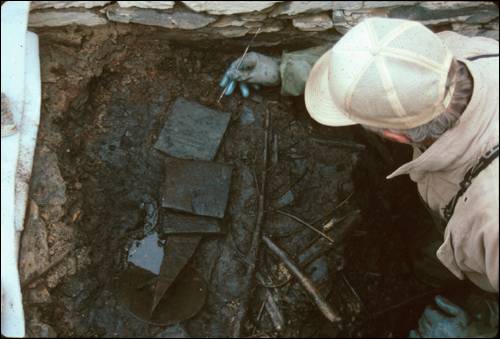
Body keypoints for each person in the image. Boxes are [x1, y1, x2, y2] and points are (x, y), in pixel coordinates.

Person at [221, 17, 499, 337]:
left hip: (481, 257)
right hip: (457, 231)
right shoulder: (464, 53)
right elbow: (381, 71)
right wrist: (286, 70)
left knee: (438, 264)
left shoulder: (490, 220)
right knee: (428, 258)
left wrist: (479, 328)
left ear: (395, 137)